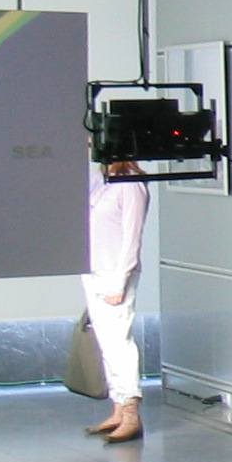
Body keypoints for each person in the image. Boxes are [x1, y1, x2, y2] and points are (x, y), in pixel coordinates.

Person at [83, 158, 150, 443]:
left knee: (119, 341)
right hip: (94, 269)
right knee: (106, 341)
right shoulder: (100, 178)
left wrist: (119, 280)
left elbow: (132, 236)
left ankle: (131, 411)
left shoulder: (131, 183)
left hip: (115, 272)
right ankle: (118, 407)